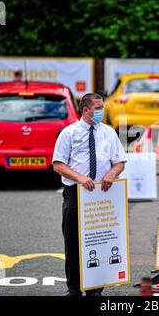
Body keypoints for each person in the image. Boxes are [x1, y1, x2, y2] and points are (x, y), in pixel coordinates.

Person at [52, 93, 127, 296]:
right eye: (98, 107)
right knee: (73, 242)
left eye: (102, 107)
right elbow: (58, 164)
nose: (102, 111)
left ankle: (95, 288)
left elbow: (120, 161)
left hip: (101, 194)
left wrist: (112, 174)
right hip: (76, 192)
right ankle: (74, 288)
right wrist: (80, 178)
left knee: (99, 241)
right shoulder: (69, 133)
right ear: (86, 110)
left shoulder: (109, 132)